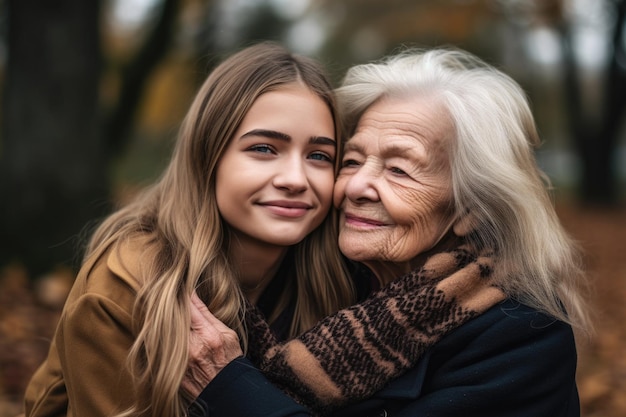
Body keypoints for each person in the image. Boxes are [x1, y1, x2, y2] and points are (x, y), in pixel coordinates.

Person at [184, 47, 591, 417]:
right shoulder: (315, 274)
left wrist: (231, 387)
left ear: (469, 209)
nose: (356, 187)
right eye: (352, 160)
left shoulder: (521, 337)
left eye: (399, 170)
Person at [19, 41, 357, 417]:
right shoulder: (131, 287)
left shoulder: (338, 282)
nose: (295, 179)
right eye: (264, 148)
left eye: (318, 156)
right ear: (207, 156)